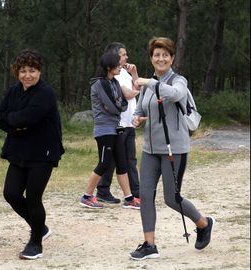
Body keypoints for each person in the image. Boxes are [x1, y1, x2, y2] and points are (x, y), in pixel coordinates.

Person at [129, 37, 214, 260]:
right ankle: (149, 245)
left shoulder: (179, 81)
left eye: (165, 54)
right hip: (150, 150)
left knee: (171, 198)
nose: (161, 58)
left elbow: (175, 95)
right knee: (145, 195)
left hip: (174, 149)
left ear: (172, 57)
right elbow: (139, 110)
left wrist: (149, 82)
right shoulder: (148, 86)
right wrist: (138, 119)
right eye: (156, 54)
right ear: (151, 58)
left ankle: (203, 223)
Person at [0, 49, 64, 260]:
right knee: (11, 194)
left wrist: (14, 120)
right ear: (17, 72)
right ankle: (40, 227)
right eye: (23, 70)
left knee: (34, 197)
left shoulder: (45, 93)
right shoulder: (13, 91)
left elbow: (29, 117)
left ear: (39, 71)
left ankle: (35, 243)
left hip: (43, 151)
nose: (27, 75)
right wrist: (17, 125)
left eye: (32, 70)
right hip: (18, 150)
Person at [79, 51, 140, 210]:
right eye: (117, 65)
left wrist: (116, 106)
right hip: (104, 129)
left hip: (115, 127)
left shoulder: (114, 83)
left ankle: (129, 199)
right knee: (104, 163)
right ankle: (87, 196)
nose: (120, 68)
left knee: (121, 163)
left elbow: (122, 103)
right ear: (108, 67)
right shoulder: (99, 83)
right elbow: (113, 105)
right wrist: (116, 106)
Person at [96, 42, 140, 204]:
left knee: (127, 159)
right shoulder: (114, 75)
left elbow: (136, 85)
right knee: (116, 160)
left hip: (129, 122)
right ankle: (107, 190)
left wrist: (135, 74)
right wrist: (138, 90)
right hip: (118, 124)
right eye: (123, 54)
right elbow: (127, 94)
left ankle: (131, 192)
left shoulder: (125, 73)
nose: (126, 57)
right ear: (114, 56)